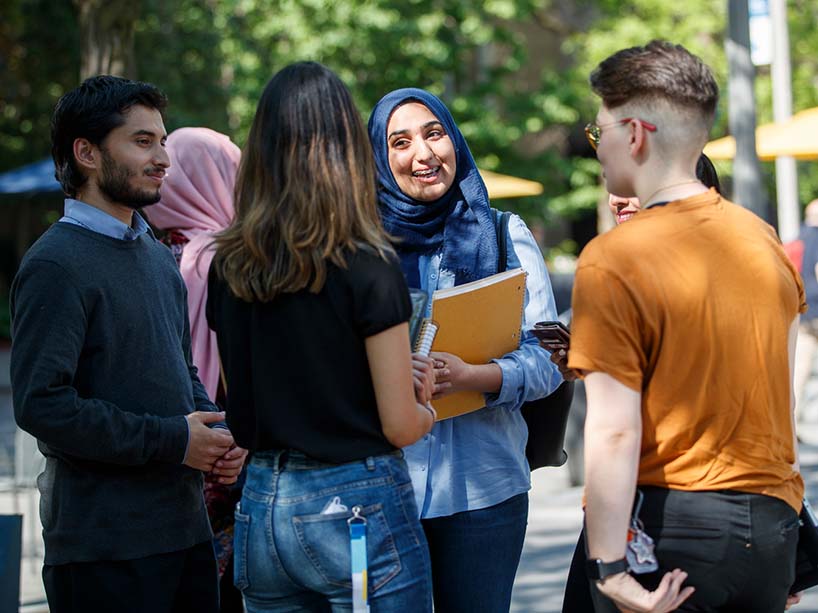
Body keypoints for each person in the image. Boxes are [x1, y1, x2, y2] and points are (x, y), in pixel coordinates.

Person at [568, 41, 804, 612]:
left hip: (672, 523)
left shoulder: (614, 256)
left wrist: (610, 567)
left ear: (636, 134)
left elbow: (614, 431)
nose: (596, 151)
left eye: (599, 133)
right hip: (771, 526)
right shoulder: (763, 240)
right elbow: (781, 401)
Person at [10, 75, 246, 613]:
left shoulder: (157, 254)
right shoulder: (54, 264)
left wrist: (216, 433)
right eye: (142, 141)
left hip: (185, 534)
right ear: (87, 153)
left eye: (162, 141)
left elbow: (180, 370)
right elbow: (41, 404)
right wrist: (171, 441)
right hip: (104, 549)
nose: (163, 157)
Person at [206, 62, 436, 612]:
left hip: (261, 504)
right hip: (355, 502)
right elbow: (400, 425)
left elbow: (247, 397)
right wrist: (422, 401)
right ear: (347, 148)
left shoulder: (229, 265)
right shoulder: (368, 263)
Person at [367, 88, 563, 612]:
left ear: (454, 139)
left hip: (485, 494)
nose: (424, 154)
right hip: (383, 492)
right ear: (380, 160)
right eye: (400, 142)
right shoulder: (358, 251)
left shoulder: (505, 236)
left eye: (434, 134)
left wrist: (476, 376)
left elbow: (550, 360)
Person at [560, 152, 723, 613]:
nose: (617, 199)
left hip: (664, 501)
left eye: (632, 187)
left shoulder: (687, 274)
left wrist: (611, 570)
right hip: (648, 502)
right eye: (614, 186)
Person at [146, 127, 244, 613]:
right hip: (227, 457)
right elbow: (239, 373)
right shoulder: (225, 257)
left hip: (166, 453)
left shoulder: (150, 253)